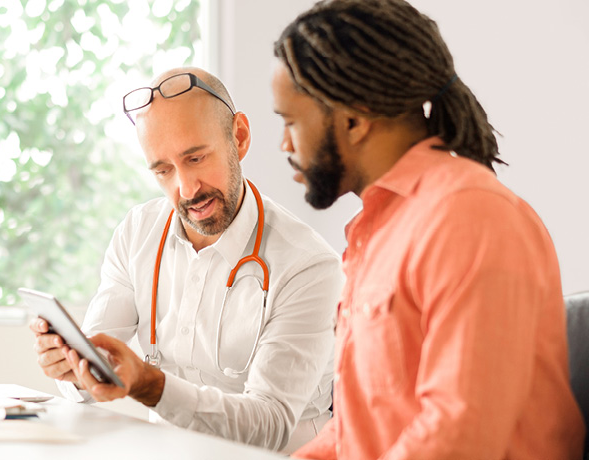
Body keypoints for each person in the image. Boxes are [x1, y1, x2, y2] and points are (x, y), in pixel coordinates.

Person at [270, 0, 585, 459]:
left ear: (354, 120)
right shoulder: (378, 230)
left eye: (290, 123)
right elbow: (362, 431)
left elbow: (461, 436)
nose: (284, 145)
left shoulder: (469, 217)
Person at [30, 66, 343, 452]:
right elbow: (99, 365)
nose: (186, 189)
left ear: (239, 137)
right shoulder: (137, 233)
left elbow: (270, 424)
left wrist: (148, 383)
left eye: (195, 158)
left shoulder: (309, 266)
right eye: (163, 170)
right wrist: (75, 369)